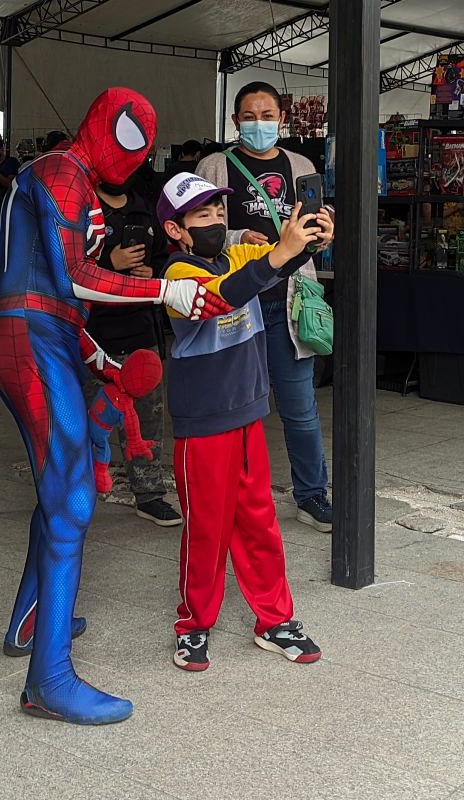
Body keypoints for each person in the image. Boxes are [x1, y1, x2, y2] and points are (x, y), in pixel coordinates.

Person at [0, 87, 232, 726]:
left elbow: (64, 300)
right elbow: (71, 281)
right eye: (132, 138)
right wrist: (164, 289)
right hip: (32, 334)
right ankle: (49, 679)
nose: (135, 154)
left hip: (45, 333)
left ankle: (31, 623)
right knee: (70, 498)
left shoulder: (69, 177)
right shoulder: (65, 173)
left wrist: (105, 362)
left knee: (57, 492)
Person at [157, 171, 324, 671]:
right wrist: (276, 254)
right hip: (203, 424)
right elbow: (219, 299)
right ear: (176, 230)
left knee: (260, 525)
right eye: (202, 215)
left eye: (218, 212)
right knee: (206, 528)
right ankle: (193, 625)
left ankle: (275, 620)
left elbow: (280, 265)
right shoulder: (176, 278)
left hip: (249, 414)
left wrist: (310, 239)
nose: (215, 221)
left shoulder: (238, 256)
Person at [196, 81, 335, 532]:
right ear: (236, 122)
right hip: (239, 303)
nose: (260, 124)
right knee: (233, 407)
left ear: (282, 118)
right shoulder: (215, 166)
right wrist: (238, 237)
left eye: (268, 115)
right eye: (250, 117)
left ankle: (312, 495)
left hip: (290, 303)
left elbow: (310, 227)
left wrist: (324, 231)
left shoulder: (300, 165)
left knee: (300, 408)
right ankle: (229, 497)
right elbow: (197, 228)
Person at [84, 176, 182, 527]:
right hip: (94, 337)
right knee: (86, 421)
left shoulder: (145, 209)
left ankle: (149, 494)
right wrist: (110, 263)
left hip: (141, 332)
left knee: (147, 420)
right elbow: (64, 269)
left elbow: (166, 260)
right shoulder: (83, 209)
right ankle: (77, 492)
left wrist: (150, 272)